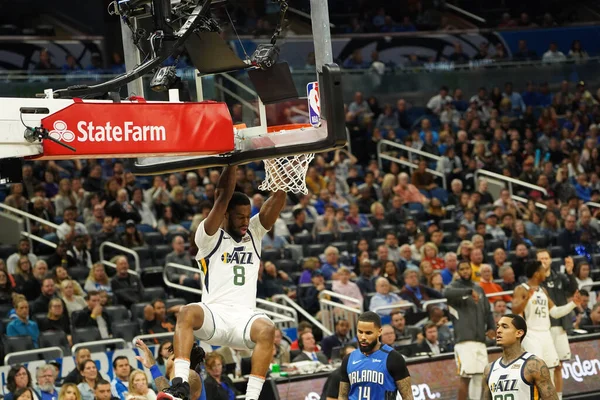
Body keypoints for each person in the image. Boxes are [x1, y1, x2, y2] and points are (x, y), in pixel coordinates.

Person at [158, 166, 285, 400]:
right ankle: (179, 384)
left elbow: (277, 199)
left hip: (244, 319)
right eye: (240, 217)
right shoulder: (208, 237)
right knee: (186, 312)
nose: (246, 221)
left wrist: (280, 178)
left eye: (248, 216)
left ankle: (252, 397)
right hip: (214, 315)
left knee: (267, 328)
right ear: (226, 215)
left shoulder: (254, 233)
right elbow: (222, 196)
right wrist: (234, 162)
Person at [511, 260, 582, 391]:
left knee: (551, 369)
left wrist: (573, 304)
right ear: (537, 273)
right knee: (536, 371)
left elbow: (555, 312)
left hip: (546, 334)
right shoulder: (521, 289)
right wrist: (526, 299)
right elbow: (514, 310)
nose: (545, 273)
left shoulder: (543, 290)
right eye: (543, 270)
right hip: (531, 334)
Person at [444, 261, 495, 400]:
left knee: (480, 378)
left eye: (467, 268)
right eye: (462, 269)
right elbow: (446, 293)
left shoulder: (479, 288)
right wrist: (468, 291)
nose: (465, 271)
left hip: (480, 340)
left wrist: (491, 327)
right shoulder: (453, 288)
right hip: (464, 341)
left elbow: (488, 312)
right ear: (458, 272)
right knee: (465, 378)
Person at [338, 311, 413, 399]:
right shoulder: (348, 359)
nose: (363, 337)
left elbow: (408, 397)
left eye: (368, 333)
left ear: (379, 332)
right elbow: (342, 396)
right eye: (360, 332)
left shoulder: (393, 358)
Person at [482, 314, 558, 399]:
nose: (498, 331)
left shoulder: (534, 365)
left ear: (519, 333)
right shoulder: (489, 369)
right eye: (498, 327)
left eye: (504, 327)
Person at [537, 250, 578, 399]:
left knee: (558, 365)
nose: (543, 261)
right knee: (544, 367)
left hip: (560, 326)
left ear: (550, 260)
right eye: (540, 258)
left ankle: (558, 397)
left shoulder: (560, 277)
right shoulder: (535, 281)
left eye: (546, 258)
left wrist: (570, 272)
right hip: (543, 328)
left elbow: (573, 291)